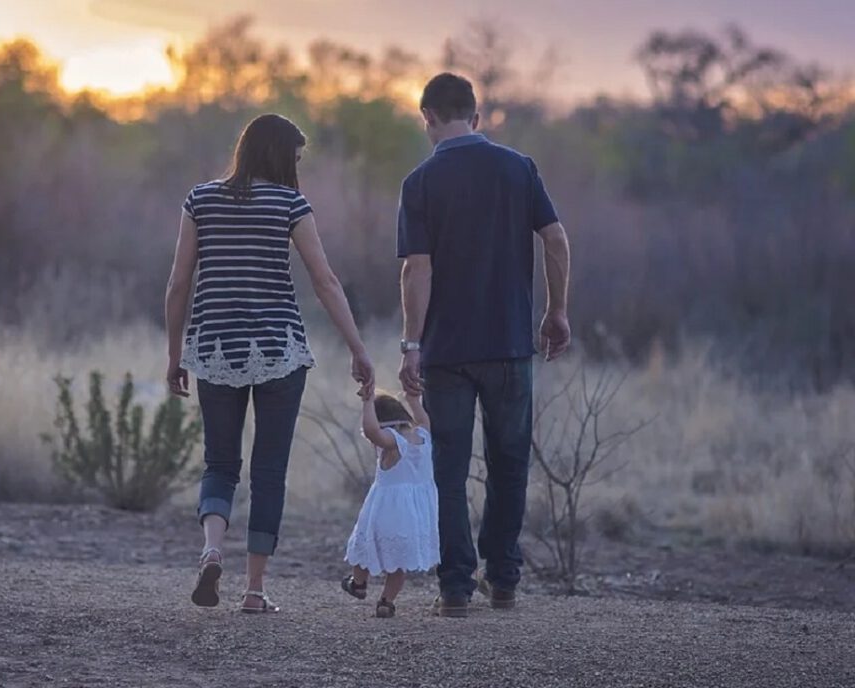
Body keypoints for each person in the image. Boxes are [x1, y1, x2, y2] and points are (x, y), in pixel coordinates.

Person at [165, 113, 375, 614]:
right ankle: (254, 591)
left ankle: (212, 548)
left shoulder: (200, 200)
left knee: (219, 463)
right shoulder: (290, 204)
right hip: (279, 350)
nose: (298, 168)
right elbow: (325, 282)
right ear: (281, 156)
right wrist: (358, 348)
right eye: (296, 158)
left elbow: (178, 284)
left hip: (215, 349)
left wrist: (175, 355)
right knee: (269, 472)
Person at [396, 73, 572, 617]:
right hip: (510, 346)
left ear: (427, 117)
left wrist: (410, 344)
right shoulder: (519, 168)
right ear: (476, 116)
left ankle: (454, 589)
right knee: (509, 462)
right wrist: (556, 310)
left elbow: (416, 270)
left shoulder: (420, 181)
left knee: (448, 468)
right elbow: (556, 238)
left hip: (447, 351)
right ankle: (504, 580)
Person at [341, 390, 439, 618]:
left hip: (386, 511)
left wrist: (367, 403)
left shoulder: (393, 442)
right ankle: (386, 601)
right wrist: (413, 398)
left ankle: (358, 583)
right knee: (398, 562)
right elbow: (423, 418)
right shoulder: (423, 435)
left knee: (364, 546)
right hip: (415, 515)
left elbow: (372, 431)